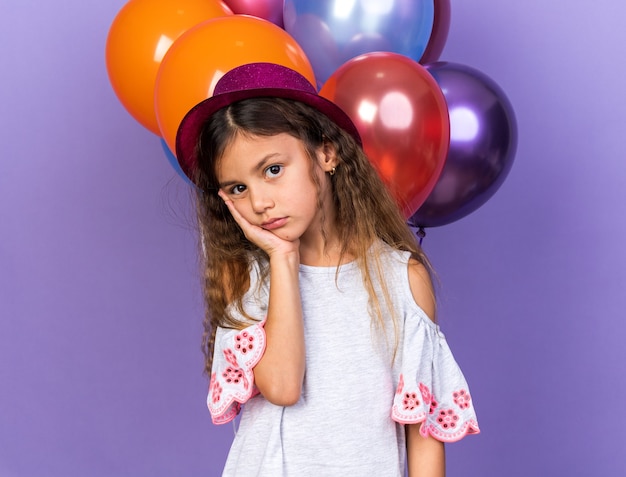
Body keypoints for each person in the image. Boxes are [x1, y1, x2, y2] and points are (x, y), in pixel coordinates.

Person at [175, 62, 479, 477]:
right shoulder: (246, 279)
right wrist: (283, 259)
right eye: (238, 188)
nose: (260, 202)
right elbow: (282, 387)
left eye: (273, 170)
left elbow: (423, 437)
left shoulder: (402, 279)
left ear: (326, 152)